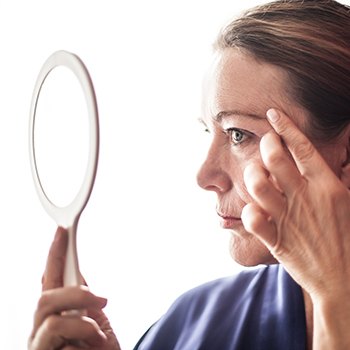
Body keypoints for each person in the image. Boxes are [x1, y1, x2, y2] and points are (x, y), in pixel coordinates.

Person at [28, 0, 350, 349]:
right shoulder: (190, 328)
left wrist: (336, 298)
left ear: (346, 155)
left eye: (238, 134)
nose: (205, 175)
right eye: (208, 131)